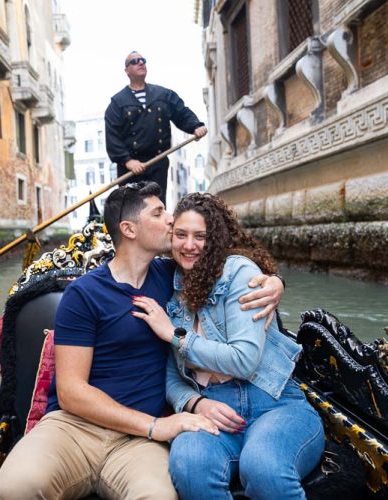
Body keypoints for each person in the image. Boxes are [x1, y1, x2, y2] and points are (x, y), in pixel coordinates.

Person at [0, 182, 285, 499]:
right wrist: (155, 426)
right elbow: (71, 392)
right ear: (130, 229)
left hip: (139, 446)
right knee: (14, 488)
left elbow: (232, 264)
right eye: (159, 213)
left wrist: (273, 281)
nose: (171, 220)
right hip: (75, 428)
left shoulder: (174, 276)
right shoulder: (83, 294)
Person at [132, 192, 325, 499]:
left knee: (262, 466)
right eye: (180, 235)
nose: (189, 245)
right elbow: (171, 377)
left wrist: (176, 336)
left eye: (200, 236)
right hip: (213, 409)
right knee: (188, 464)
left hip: (273, 403)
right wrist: (196, 404)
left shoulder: (238, 272)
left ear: (216, 239)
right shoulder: (173, 292)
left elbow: (244, 360)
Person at [105, 51, 207, 205]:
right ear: (126, 70)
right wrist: (127, 161)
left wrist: (196, 126)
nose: (140, 63)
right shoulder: (117, 102)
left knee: (156, 206)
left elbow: (181, 112)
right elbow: (112, 135)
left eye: (143, 60)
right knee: (133, 209)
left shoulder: (163, 95)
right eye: (135, 61)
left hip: (158, 163)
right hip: (130, 169)